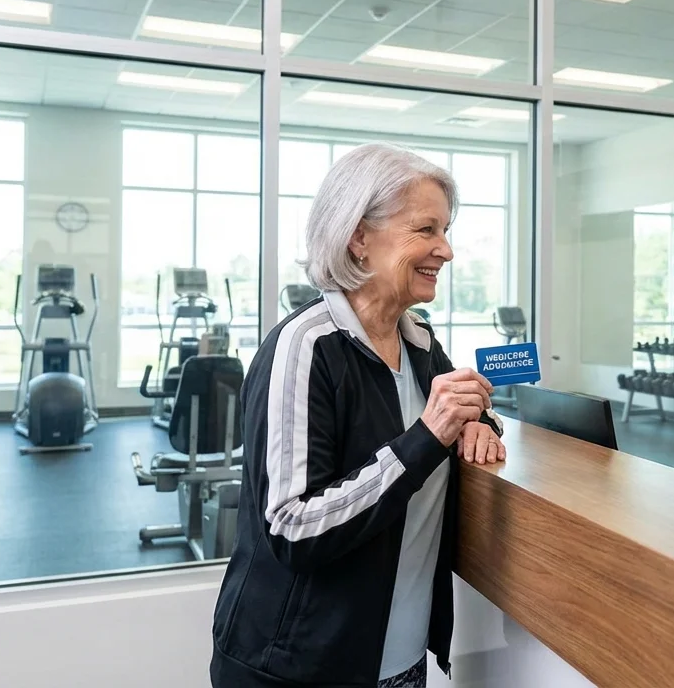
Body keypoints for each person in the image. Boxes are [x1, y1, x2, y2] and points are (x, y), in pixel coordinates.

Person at [211, 143, 508, 688]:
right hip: (301, 669)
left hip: (399, 659)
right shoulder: (304, 348)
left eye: (446, 231)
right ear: (358, 237)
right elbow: (294, 528)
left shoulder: (418, 343)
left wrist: (475, 422)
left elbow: (453, 413)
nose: (446, 250)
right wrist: (429, 435)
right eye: (426, 230)